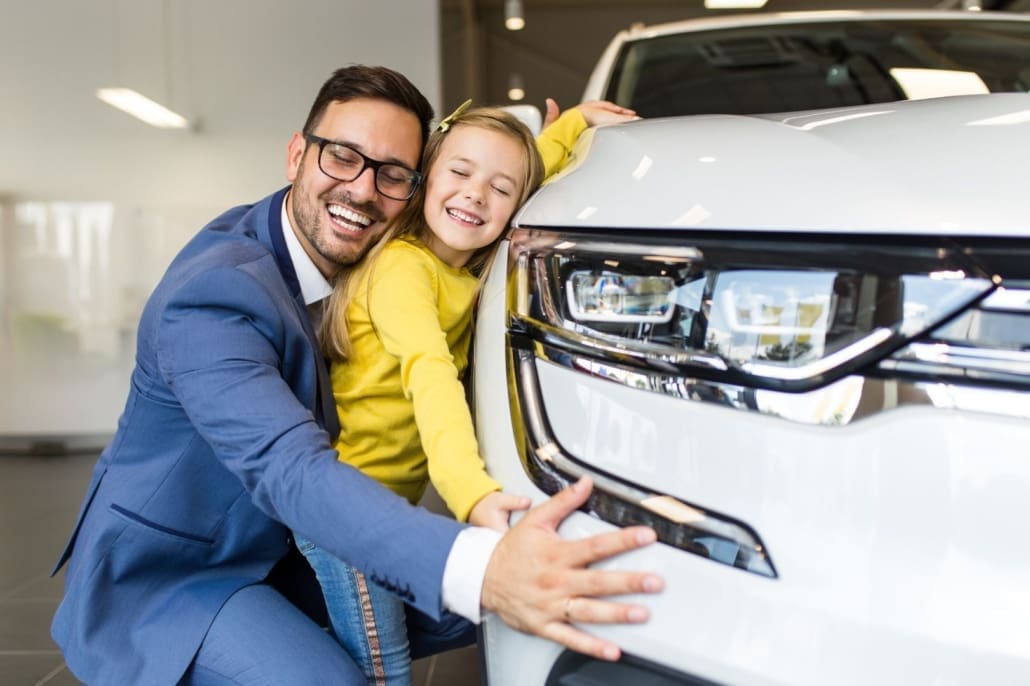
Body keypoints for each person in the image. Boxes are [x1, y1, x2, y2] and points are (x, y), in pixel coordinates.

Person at [50, 64, 661, 686]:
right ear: (296, 154)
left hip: (282, 543)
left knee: (476, 610)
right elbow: (288, 467)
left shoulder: (366, 242)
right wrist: (485, 563)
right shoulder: (214, 294)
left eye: (392, 173)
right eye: (343, 157)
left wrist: (573, 128)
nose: (364, 190)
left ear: (412, 187)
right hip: (178, 576)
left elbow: (494, 167)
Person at [296, 103, 542, 684]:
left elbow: (520, 166)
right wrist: (472, 497)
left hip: (386, 506)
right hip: (346, 511)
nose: (476, 193)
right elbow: (431, 379)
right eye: (459, 173)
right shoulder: (405, 269)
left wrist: (574, 127)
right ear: (427, 176)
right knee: (384, 668)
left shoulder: (460, 270)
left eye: (499, 188)